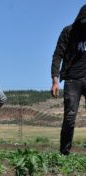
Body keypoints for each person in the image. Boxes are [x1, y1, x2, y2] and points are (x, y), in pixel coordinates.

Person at [51, 4, 86, 155]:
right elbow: (58, 55)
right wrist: (55, 80)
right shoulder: (68, 32)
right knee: (70, 117)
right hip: (72, 79)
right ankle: (64, 153)